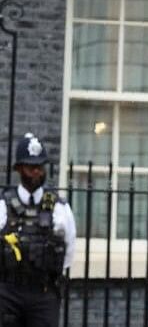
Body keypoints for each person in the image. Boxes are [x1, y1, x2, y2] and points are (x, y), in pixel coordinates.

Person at [0, 133, 76, 327]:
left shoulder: (59, 208)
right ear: (19, 169)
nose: (37, 172)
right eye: (31, 167)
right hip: (8, 293)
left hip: (44, 294)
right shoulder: (2, 205)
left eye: (40, 167)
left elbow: (68, 252)